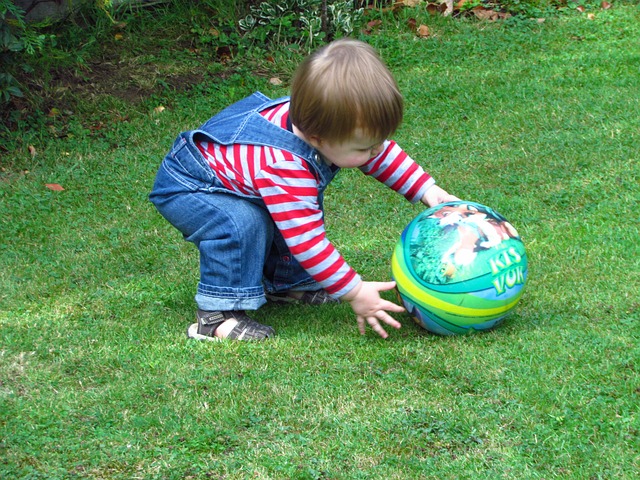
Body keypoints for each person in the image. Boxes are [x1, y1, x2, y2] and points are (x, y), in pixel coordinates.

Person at [149, 38, 458, 341]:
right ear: (317, 138)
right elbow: (308, 242)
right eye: (365, 148)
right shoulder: (286, 168)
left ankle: (289, 285)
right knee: (241, 225)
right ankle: (217, 315)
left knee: (287, 213)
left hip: (233, 178)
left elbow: (381, 155)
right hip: (192, 186)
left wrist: (428, 191)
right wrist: (355, 291)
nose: (376, 151)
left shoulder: (327, 123)